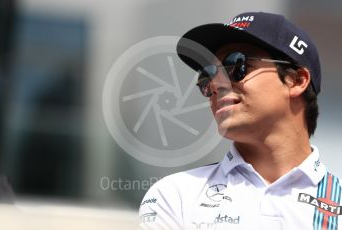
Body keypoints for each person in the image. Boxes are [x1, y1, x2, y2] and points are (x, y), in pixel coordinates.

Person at [139, 11, 341, 230]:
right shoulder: (175, 196)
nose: (216, 84)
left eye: (235, 65)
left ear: (296, 81)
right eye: (206, 76)